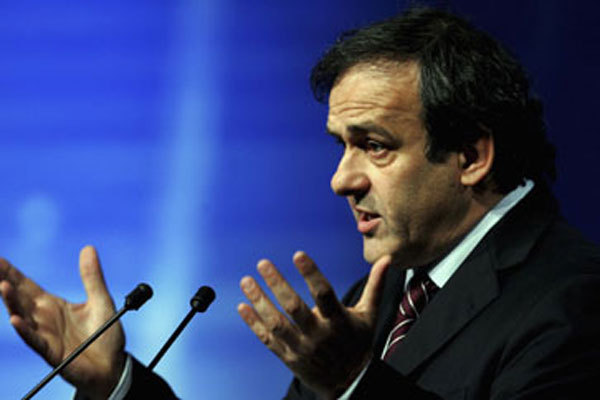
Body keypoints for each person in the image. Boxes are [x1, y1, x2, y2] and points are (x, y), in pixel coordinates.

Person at [2, 6, 600, 399]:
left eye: (374, 146)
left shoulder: (575, 303)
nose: (341, 180)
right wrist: (115, 382)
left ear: (471, 155)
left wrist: (354, 383)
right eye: (342, 146)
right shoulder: (391, 288)